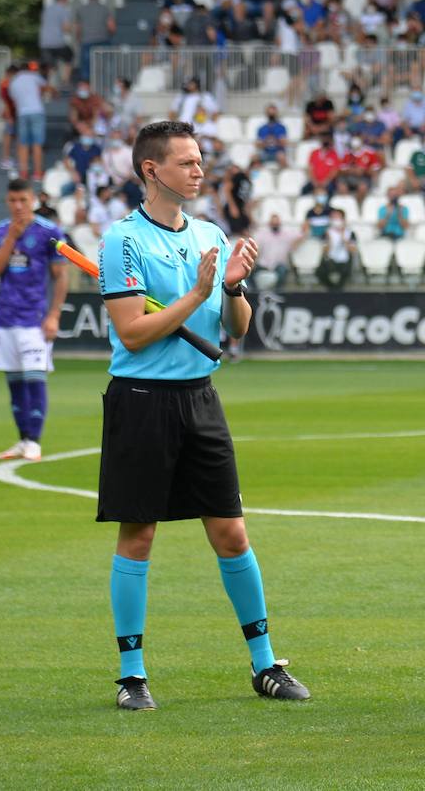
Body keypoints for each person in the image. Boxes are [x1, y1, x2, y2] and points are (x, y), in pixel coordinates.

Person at [94, 120, 309, 711]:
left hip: (200, 399)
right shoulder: (122, 240)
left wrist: (234, 289)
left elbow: (234, 332)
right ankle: (131, 675)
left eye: (199, 160)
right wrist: (194, 294)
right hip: (140, 401)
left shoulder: (209, 233)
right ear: (151, 170)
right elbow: (133, 334)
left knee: (231, 531)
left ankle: (265, 664)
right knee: (138, 535)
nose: (198, 170)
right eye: (186, 162)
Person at [0, 179, 68, 462]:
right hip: (5, 319)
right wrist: (11, 238)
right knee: (15, 384)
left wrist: (54, 315)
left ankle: (34, 440)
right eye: (13, 201)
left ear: (32, 199)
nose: (18, 206)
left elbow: (61, 277)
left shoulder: (49, 232)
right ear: (7, 201)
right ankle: (22, 440)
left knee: (35, 380)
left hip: (35, 319)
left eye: (23, 200)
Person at [9, 64, 52, 183]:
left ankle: (23, 172)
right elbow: (47, 87)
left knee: (23, 144)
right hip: (37, 112)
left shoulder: (13, 82)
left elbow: (14, 99)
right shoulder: (33, 76)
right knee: (37, 144)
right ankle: (38, 172)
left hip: (22, 113)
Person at [73, 0, 116, 82]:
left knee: (86, 67)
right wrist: (110, 35)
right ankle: (106, 83)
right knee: (106, 64)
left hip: (86, 41)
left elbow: (78, 28)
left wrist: (78, 39)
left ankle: (87, 88)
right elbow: (111, 26)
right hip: (103, 40)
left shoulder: (81, 9)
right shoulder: (104, 8)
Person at [252, 213, 302, 289]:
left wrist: (295, 243)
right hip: (264, 265)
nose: (275, 224)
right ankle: (254, 294)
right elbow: (256, 249)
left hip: (279, 265)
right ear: (269, 224)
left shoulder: (286, 235)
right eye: (273, 223)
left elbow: (300, 235)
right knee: (249, 274)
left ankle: (278, 293)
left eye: (276, 223)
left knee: (282, 272)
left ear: (280, 223)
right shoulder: (262, 235)